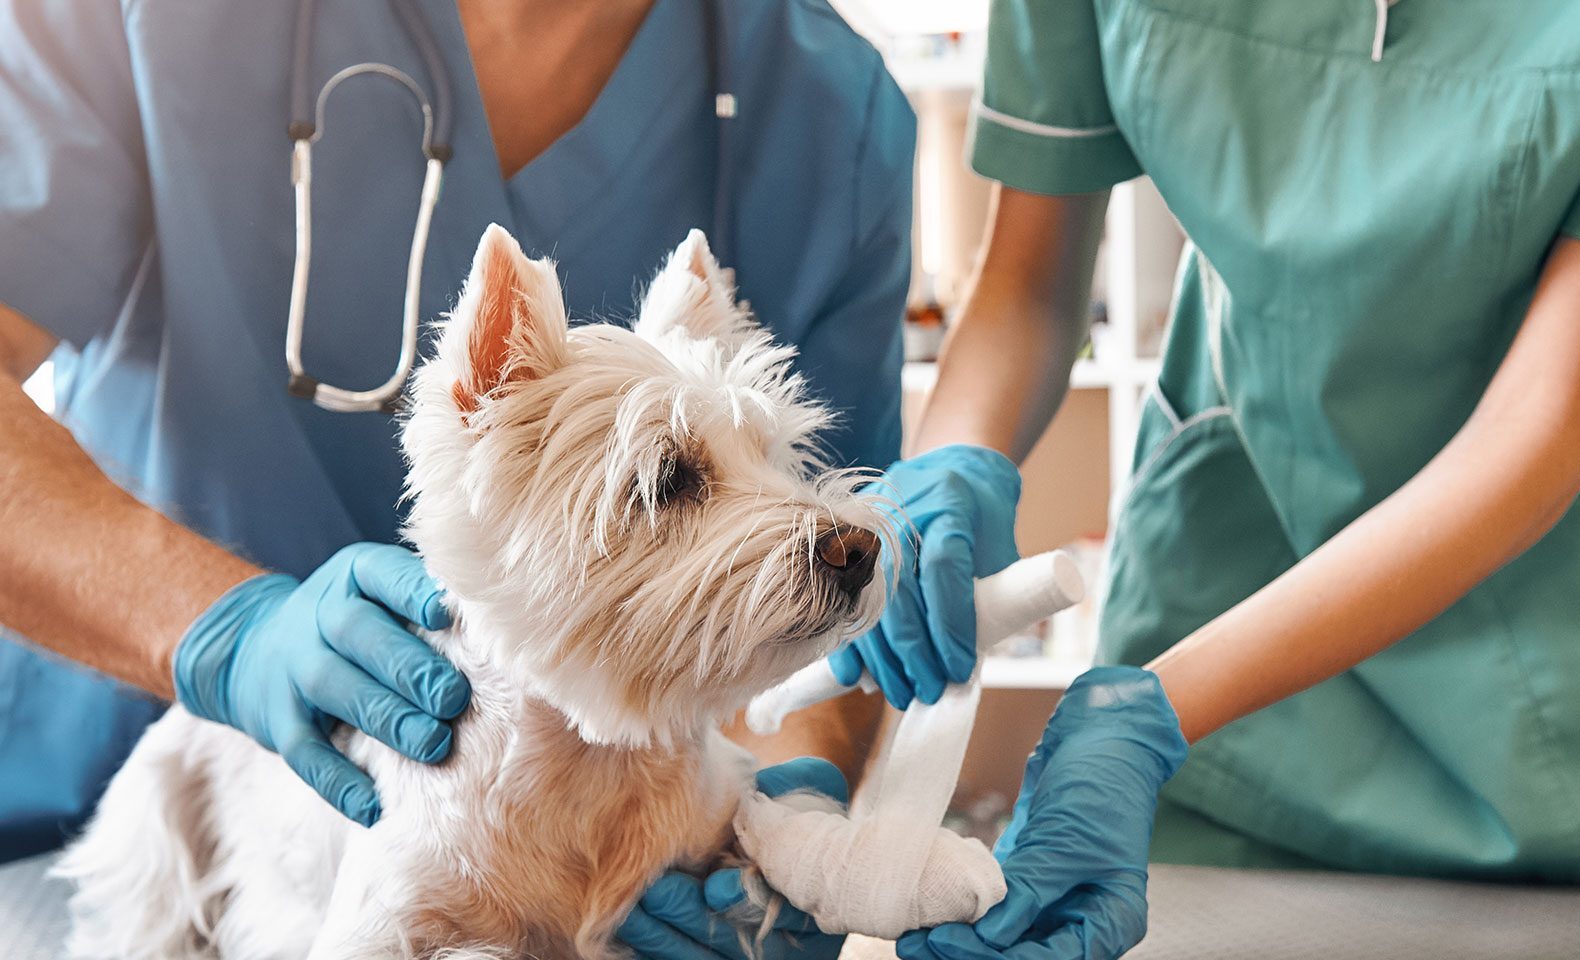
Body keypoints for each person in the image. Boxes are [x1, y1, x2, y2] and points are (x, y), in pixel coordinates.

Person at [824, 1, 1580, 956]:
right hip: (1223, 658)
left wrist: (1152, 712)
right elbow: (1029, 284)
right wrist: (948, 465)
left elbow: (1542, 422)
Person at [0, 0, 907, 956]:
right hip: (106, 792)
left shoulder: (822, 101)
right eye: (668, 480)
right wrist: (223, 634)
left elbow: (827, 605)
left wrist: (794, 827)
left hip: (636, 833)